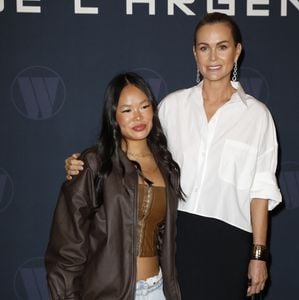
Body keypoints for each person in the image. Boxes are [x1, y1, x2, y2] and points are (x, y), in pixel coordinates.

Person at [64, 13, 282, 300]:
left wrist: (259, 254)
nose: (213, 56)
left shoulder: (258, 116)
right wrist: (85, 161)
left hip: (230, 244)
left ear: (237, 51)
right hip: (174, 240)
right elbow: (135, 151)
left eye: (222, 46)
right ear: (194, 53)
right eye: (204, 47)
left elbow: (260, 191)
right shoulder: (172, 106)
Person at [45, 72, 183, 300]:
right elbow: (66, 248)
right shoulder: (94, 163)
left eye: (144, 106)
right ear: (114, 116)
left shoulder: (166, 166)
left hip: (157, 291)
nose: (137, 117)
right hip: (107, 293)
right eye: (127, 110)